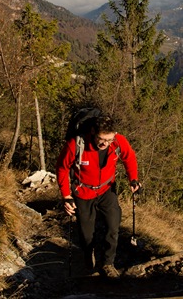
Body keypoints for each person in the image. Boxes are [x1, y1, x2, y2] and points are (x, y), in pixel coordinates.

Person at [56, 113, 141, 278]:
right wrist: (66, 195)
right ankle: (88, 253)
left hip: (106, 189)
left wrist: (134, 179)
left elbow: (129, 158)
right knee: (86, 232)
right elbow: (62, 168)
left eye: (110, 140)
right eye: (102, 139)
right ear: (93, 132)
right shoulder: (76, 145)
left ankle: (108, 263)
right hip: (83, 192)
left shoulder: (118, 141)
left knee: (113, 225)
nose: (106, 143)